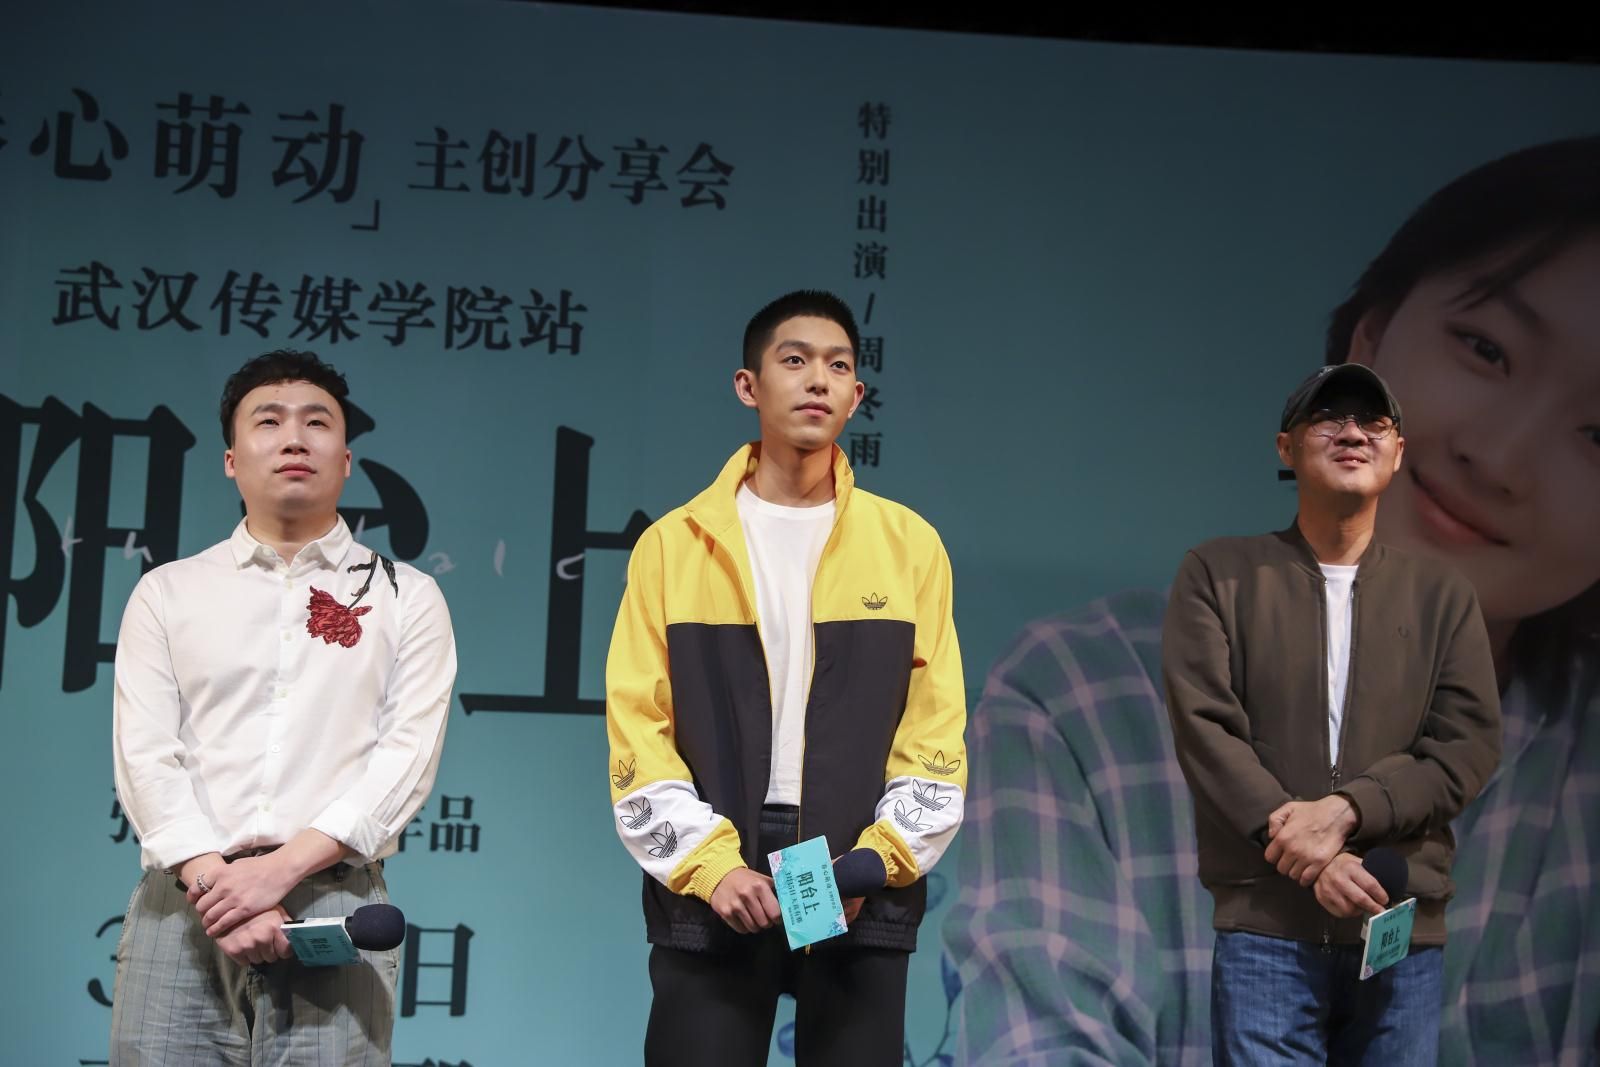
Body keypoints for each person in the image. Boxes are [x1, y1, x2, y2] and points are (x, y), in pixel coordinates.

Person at [946, 135, 1600, 1065]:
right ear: (1368, 347)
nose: (1498, 456)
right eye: (1486, 349)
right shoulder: (1083, 698)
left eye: (1598, 432)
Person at [604, 290, 968, 1066]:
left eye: (837, 366)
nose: (817, 380)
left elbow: (934, 730)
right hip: (718, 866)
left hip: (855, 865)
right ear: (749, 385)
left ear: (856, 395)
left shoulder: (908, 544)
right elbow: (639, 727)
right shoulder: (673, 545)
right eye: (795, 360)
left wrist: (875, 859)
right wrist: (711, 867)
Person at [110, 350, 457, 1065]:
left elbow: (405, 758)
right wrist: (218, 885)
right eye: (268, 422)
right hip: (184, 901)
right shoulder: (168, 592)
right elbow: (145, 755)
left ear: (347, 460)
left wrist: (278, 872)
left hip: (332, 900)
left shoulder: (408, 596)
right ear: (231, 460)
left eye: (317, 423)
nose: (294, 438)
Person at [1163, 363, 1500, 1064]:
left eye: (1373, 421)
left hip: (1397, 921)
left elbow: (1465, 747)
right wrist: (1308, 854)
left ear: (1398, 452)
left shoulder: (1442, 594)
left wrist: (1347, 811)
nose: (1352, 432)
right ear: (1285, 447)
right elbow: (1206, 728)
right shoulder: (1219, 573)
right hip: (1267, 927)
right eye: (1329, 417)